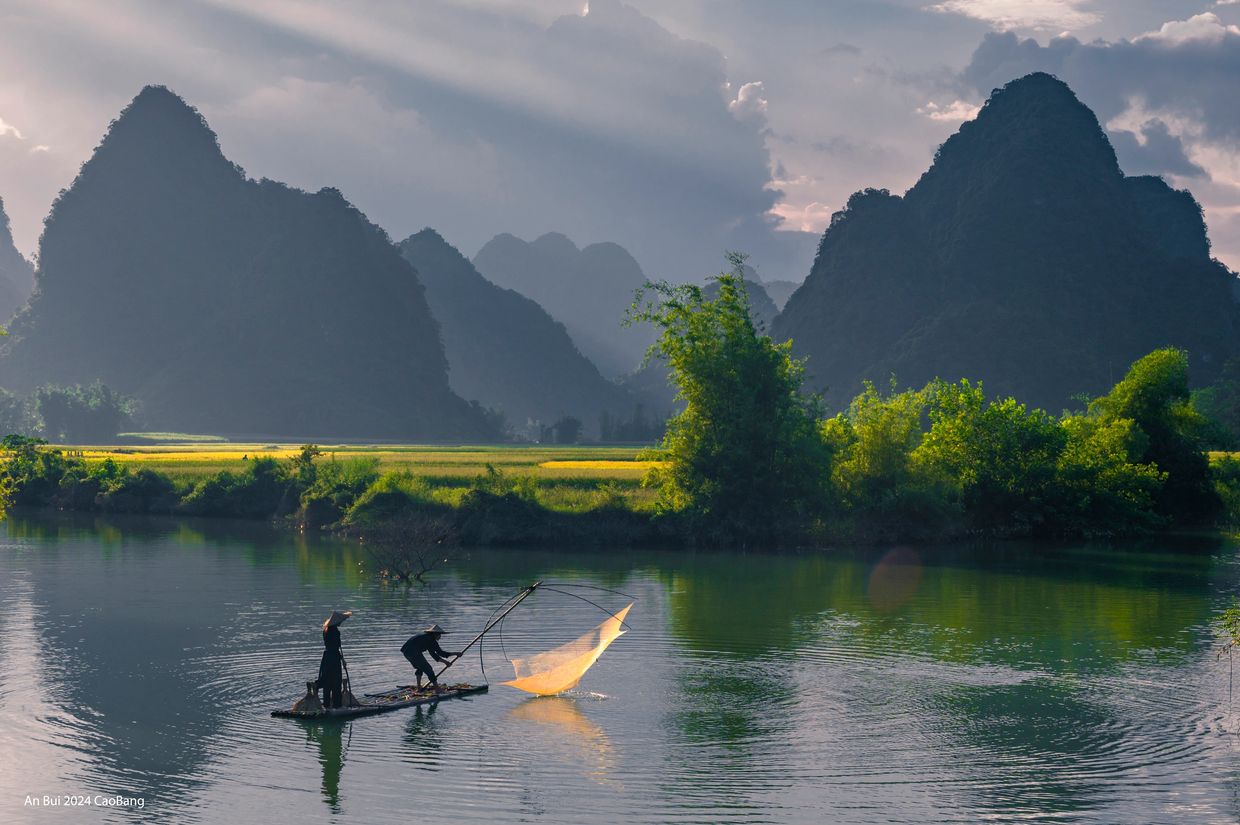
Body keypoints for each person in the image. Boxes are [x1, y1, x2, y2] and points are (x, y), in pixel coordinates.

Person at [401, 624, 460, 691]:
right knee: (429, 669)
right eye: (439, 634)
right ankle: (437, 689)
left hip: (406, 652)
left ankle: (419, 687)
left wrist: (445, 662)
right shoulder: (431, 640)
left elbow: (434, 655)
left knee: (420, 668)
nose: (440, 636)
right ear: (435, 634)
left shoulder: (427, 638)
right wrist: (456, 653)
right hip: (413, 652)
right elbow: (441, 653)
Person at [318, 610, 351, 708]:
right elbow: (336, 647)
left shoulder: (326, 630)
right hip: (334, 658)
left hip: (327, 658)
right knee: (336, 682)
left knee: (327, 681)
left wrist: (342, 659)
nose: (341, 622)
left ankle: (327, 704)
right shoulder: (335, 631)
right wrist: (342, 659)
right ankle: (337, 705)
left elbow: (332, 647)